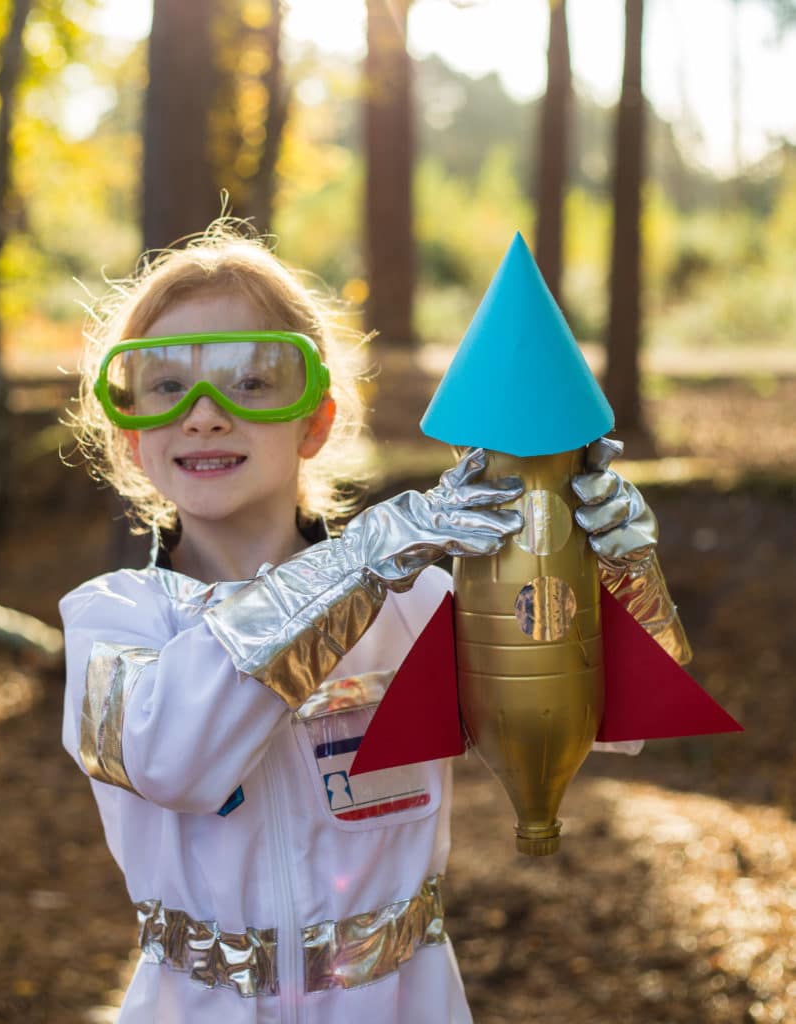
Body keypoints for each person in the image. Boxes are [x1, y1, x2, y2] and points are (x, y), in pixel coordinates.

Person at [60, 220, 688, 1023]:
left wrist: (611, 565)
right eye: (164, 384)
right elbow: (173, 760)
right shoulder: (110, 621)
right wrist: (362, 560)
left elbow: (614, 719)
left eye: (252, 381)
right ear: (129, 436)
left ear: (315, 421)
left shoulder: (418, 607)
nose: (205, 414)